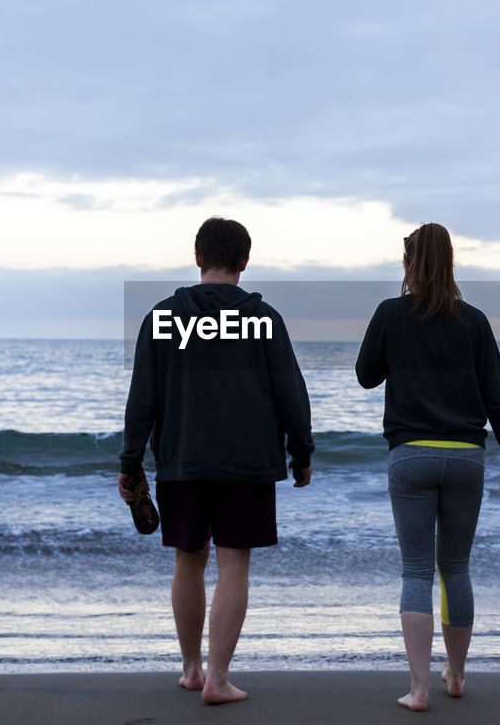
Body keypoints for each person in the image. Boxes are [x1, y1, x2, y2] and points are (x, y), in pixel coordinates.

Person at [118, 217, 314, 705]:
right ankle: (218, 679)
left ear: (198, 256)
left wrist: (130, 461)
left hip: (182, 459)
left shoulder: (162, 318)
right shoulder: (263, 320)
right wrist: (301, 452)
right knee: (233, 565)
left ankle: (191, 669)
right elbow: (290, 390)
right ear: (244, 262)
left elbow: (141, 398)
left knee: (188, 560)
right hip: (245, 461)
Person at [356, 222, 500, 711]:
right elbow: (499, 400)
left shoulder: (391, 314)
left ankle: (418, 689)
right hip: (465, 458)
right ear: (451, 263)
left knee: (416, 571)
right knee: (454, 568)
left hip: (411, 455)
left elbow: (364, 376)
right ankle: (455, 677)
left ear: (408, 265)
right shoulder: (474, 321)